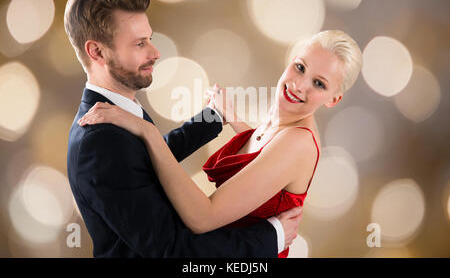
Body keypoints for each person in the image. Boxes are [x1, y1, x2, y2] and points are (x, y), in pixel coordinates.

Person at [78, 29, 363, 257]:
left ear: (334, 99)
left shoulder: (297, 143)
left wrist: (148, 133)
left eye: (319, 84)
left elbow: (203, 217)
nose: (300, 85)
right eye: (300, 67)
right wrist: (233, 119)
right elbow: (262, 155)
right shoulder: (281, 124)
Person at [65, 0, 302, 258]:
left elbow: (143, 164)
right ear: (96, 51)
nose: (155, 52)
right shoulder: (101, 142)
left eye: (150, 39)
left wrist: (213, 117)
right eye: (140, 43)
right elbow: (172, 249)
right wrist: (272, 237)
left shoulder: (118, 112)